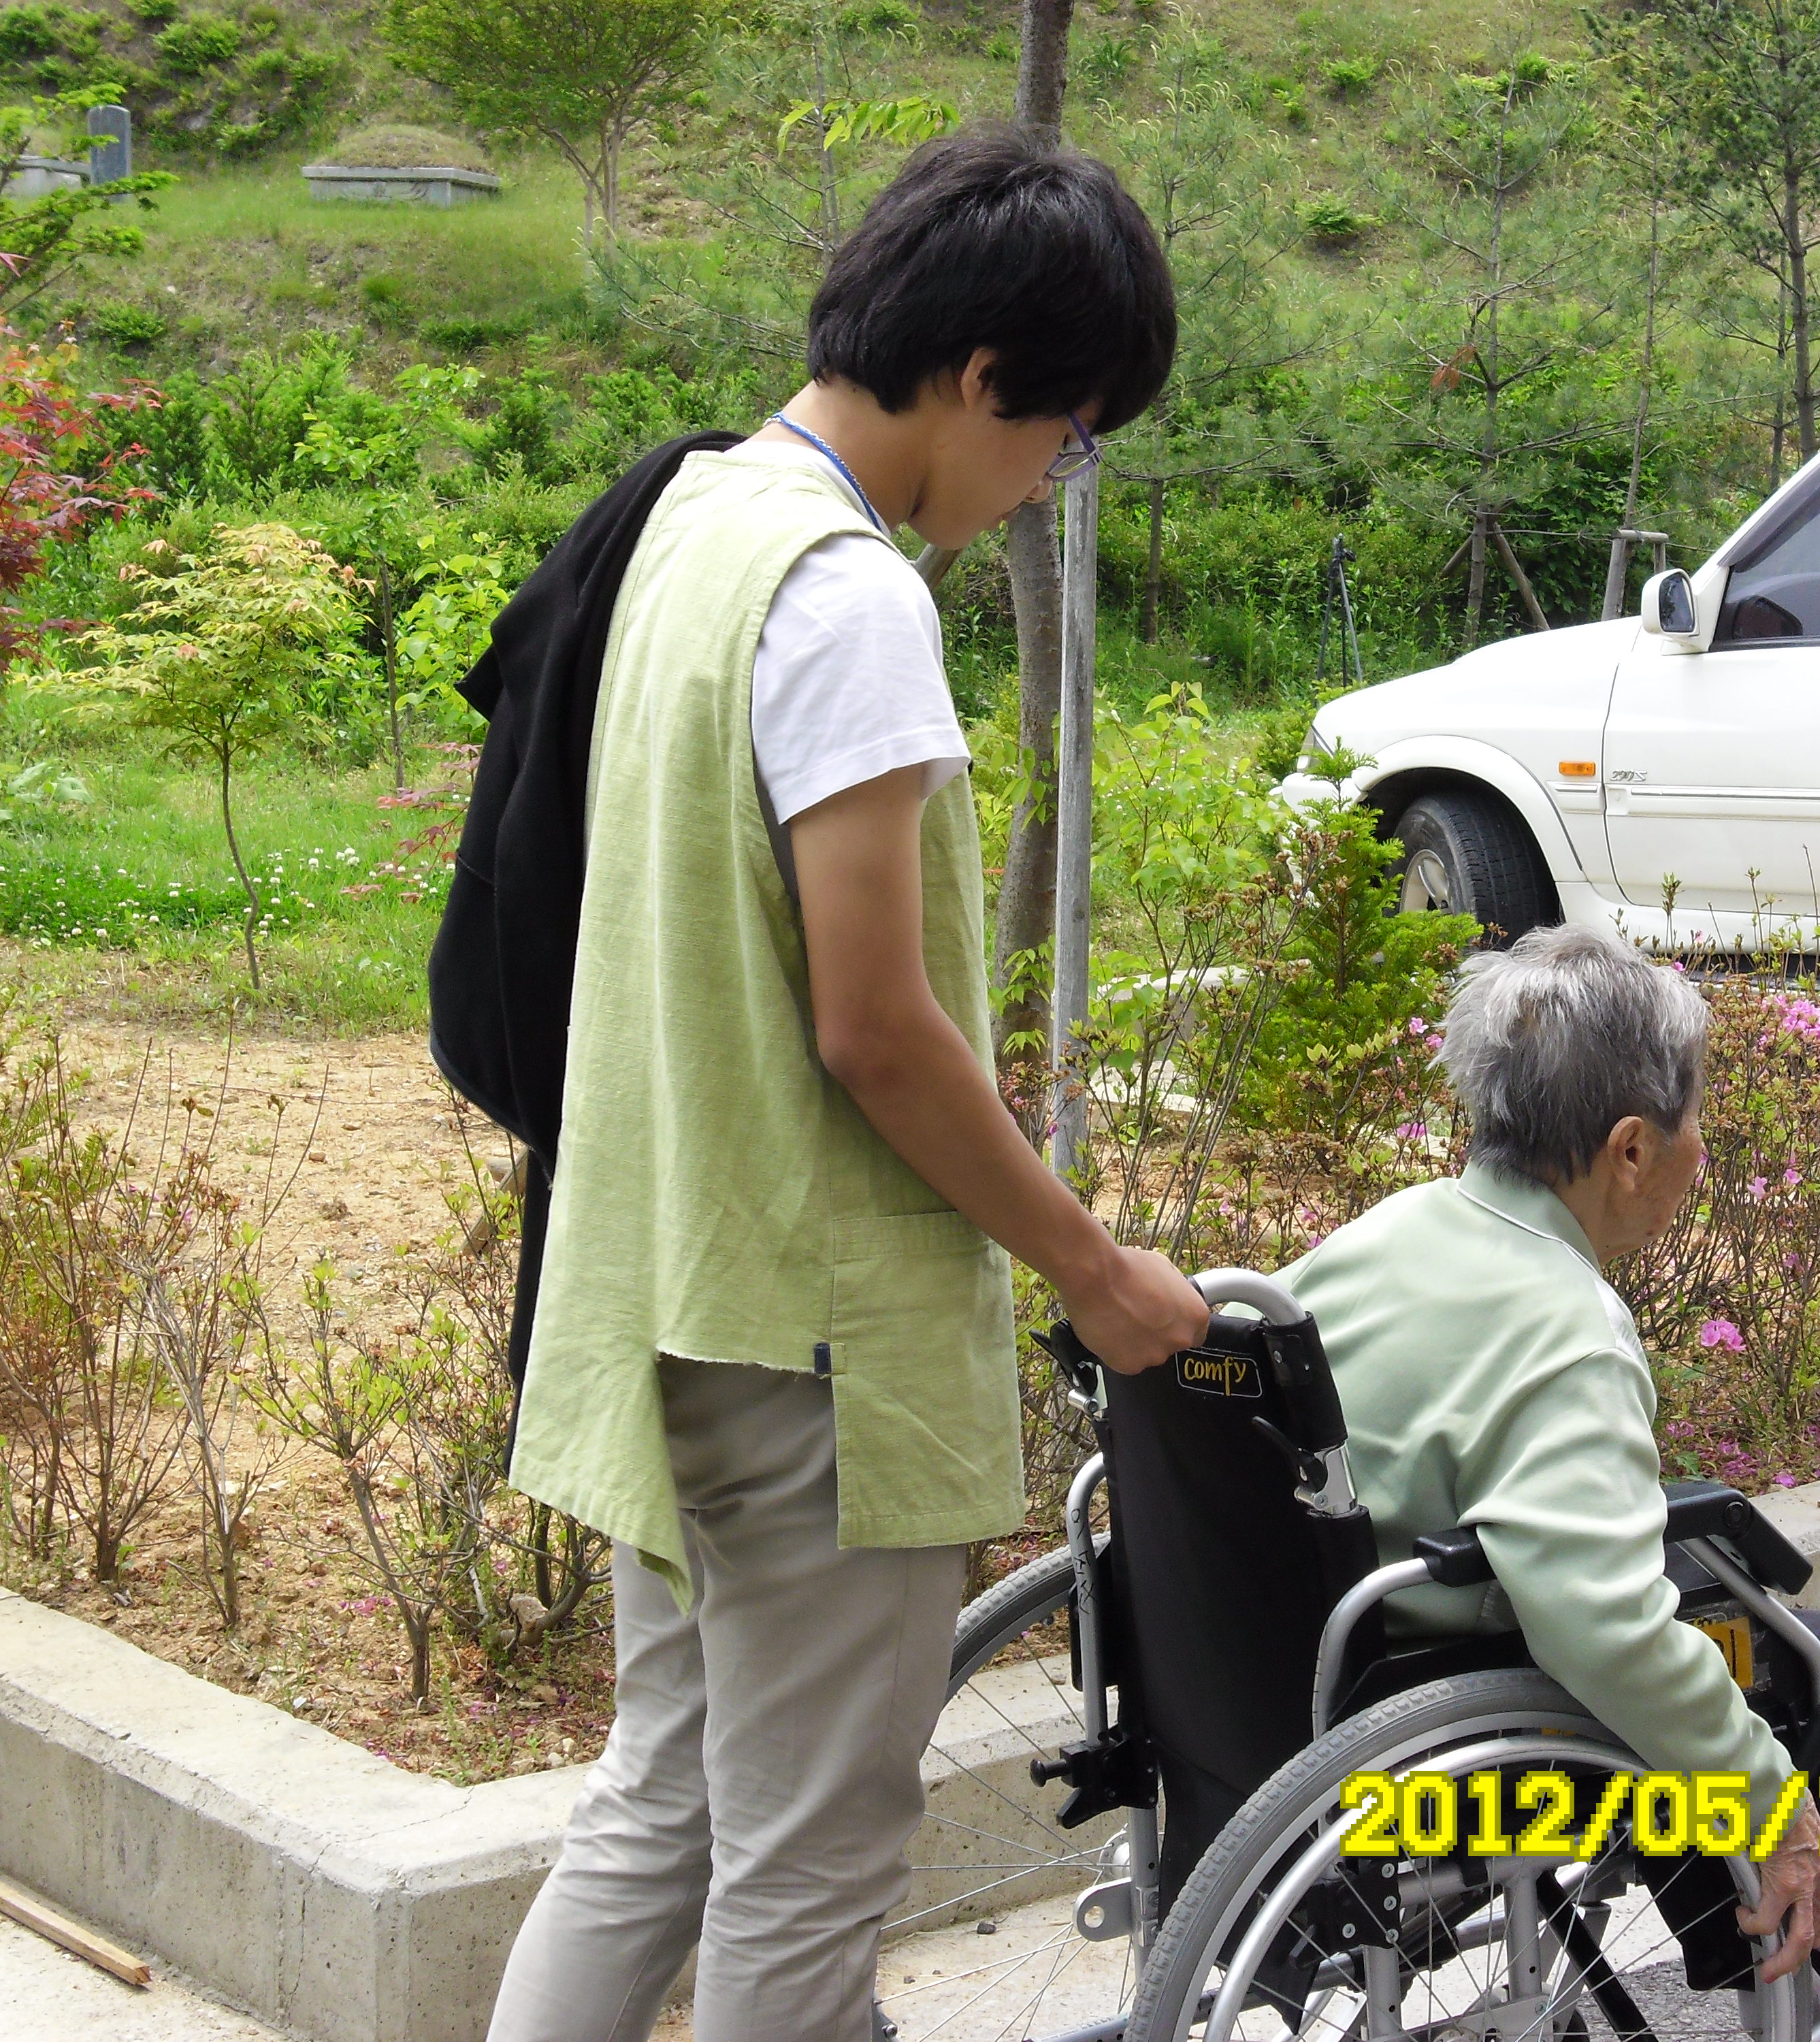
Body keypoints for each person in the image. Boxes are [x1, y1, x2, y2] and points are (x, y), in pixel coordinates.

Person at [485, 128, 1209, 2042]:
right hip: (816, 1336)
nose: (1045, 480)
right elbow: (875, 1026)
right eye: (1064, 437)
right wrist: (1092, 1268)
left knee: (658, 1808)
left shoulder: (691, 517)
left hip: (667, 1281)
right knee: (803, 1882)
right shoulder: (849, 595)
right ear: (982, 377)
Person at [1280, 924, 1820, 2041]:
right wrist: (1770, 1803)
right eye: (1694, 1121)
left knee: (1720, 1633)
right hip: (1448, 1740)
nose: (1701, 1149)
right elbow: (1603, 1633)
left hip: (1305, 1687)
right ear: (1630, 1149)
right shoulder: (1566, 1332)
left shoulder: (1388, 1232)